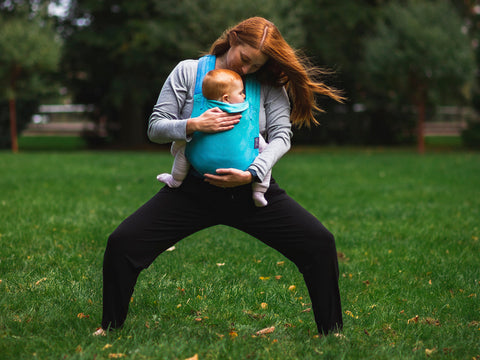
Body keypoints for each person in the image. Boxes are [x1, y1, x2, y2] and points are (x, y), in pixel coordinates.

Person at [95, 16, 345, 337]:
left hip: (250, 191)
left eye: (257, 65)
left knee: (320, 244)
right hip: (192, 192)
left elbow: (282, 136)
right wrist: (193, 125)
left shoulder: (268, 84)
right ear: (233, 40)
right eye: (245, 60)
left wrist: (252, 173)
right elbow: (155, 127)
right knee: (122, 244)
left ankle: (332, 333)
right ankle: (110, 327)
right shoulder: (188, 72)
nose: (247, 71)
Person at [156, 68, 271, 207]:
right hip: (243, 165)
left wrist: (176, 148)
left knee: (184, 151)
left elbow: (182, 140)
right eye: (241, 93)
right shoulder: (245, 111)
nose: (244, 96)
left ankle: (175, 180)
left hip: (201, 164)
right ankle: (259, 191)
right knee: (266, 155)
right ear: (226, 98)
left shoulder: (204, 112)